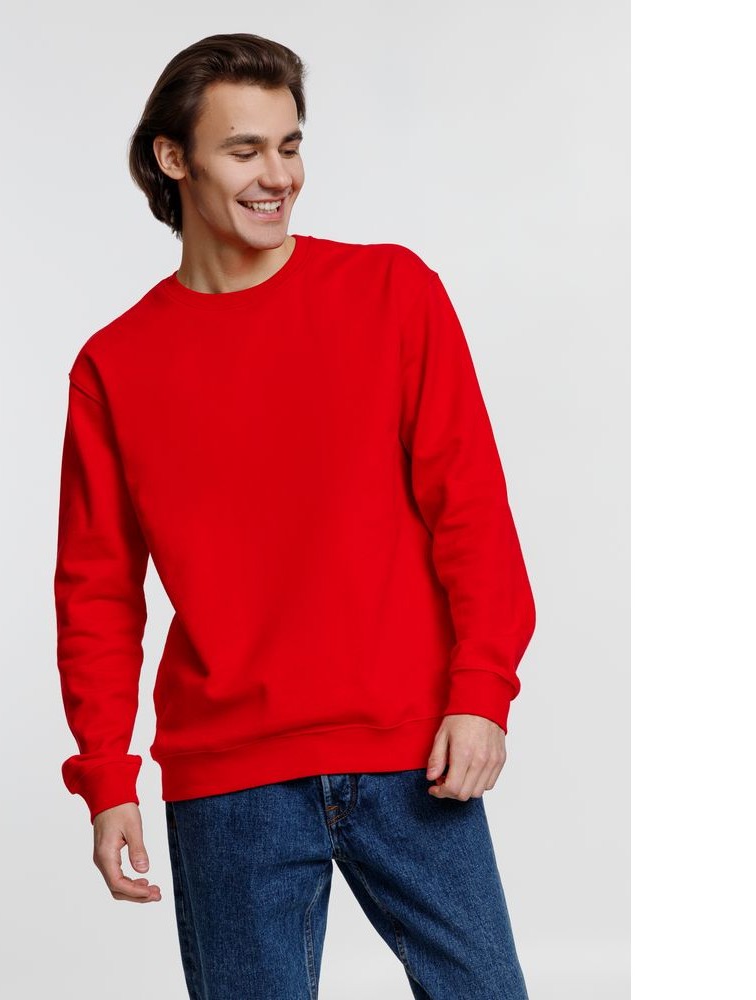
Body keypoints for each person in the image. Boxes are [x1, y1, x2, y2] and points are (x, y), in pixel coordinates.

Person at [53, 32, 536, 1000]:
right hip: (228, 780)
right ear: (173, 157)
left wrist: (482, 690)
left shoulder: (390, 293)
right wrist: (107, 775)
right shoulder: (117, 363)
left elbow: (471, 509)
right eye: (245, 150)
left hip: (411, 750)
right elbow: (96, 591)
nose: (279, 176)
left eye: (290, 145)